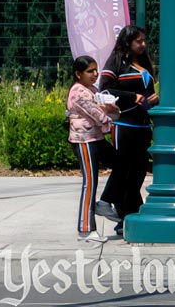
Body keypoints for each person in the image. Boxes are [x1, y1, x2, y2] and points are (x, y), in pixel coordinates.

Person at [97, 25, 157, 225]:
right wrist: (132, 96)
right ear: (127, 42)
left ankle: (129, 218)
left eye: (143, 40)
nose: (143, 45)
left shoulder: (143, 62)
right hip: (124, 123)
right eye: (138, 41)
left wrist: (153, 98)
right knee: (124, 168)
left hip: (143, 124)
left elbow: (147, 91)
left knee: (138, 172)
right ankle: (115, 208)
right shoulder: (116, 62)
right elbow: (104, 90)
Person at [68, 55, 118, 243]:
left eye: (96, 70)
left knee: (121, 164)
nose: (95, 74)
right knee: (90, 182)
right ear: (78, 73)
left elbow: (105, 111)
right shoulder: (78, 92)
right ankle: (86, 229)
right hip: (84, 141)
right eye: (90, 71)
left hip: (96, 139)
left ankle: (104, 203)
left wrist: (110, 112)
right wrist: (111, 117)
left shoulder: (92, 89)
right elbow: (98, 114)